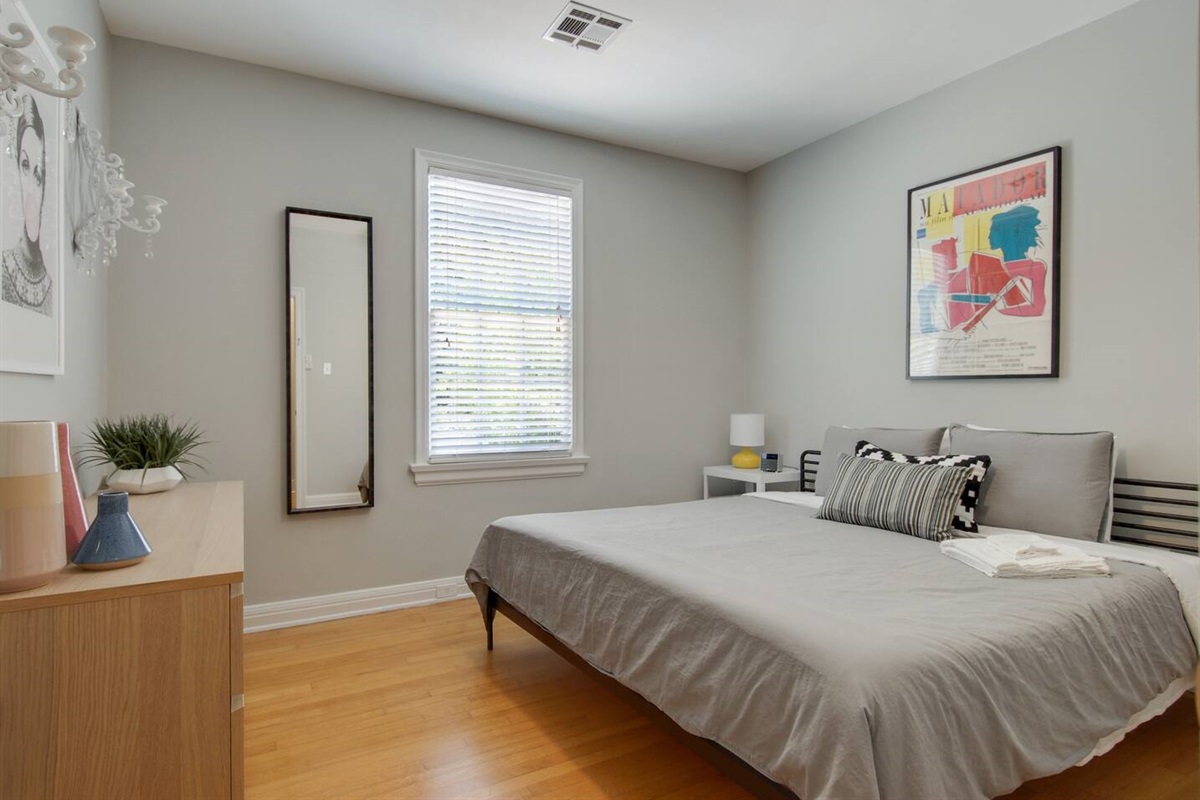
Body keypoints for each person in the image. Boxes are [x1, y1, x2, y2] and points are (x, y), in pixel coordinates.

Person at [2, 93, 52, 316]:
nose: (31, 186)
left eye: (38, 174)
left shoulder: (49, 285)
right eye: (25, 165)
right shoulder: (4, 267)